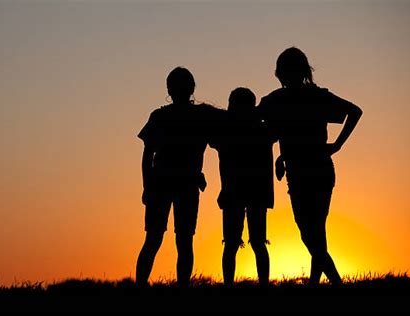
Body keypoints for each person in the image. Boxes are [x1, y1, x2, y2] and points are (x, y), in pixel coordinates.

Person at [258, 47, 363, 285]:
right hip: (312, 170)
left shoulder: (280, 100)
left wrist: (337, 145)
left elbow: (355, 111)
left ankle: (335, 282)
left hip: (310, 172)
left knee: (310, 233)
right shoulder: (307, 97)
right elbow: (353, 111)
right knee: (316, 231)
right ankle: (317, 285)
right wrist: (282, 157)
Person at [135, 66, 220, 287]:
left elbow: (147, 156)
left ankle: (143, 288)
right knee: (177, 240)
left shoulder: (164, 116)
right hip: (177, 185)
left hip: (169, 185)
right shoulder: (199, 115)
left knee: (159, 239)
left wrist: (147, 186)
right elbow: (147, 154)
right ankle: (173, 288)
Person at [209, 87, 275, 286]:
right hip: (255, 192)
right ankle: (262, 285)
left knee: (232, 244)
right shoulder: (263, 130)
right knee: (256, 243)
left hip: (234, 192)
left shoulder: (225, 131)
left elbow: (212, 133)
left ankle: (230, 285)